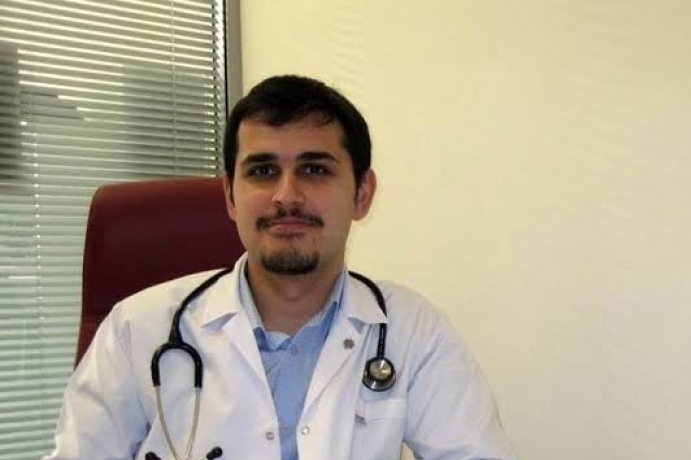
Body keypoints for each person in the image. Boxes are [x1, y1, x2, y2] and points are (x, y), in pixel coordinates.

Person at [44, 75, 516, 460]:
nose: (286, 195)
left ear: (362, 193)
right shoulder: (136, 329)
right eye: (263, 171)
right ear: (230, 197)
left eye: (315, 169)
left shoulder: (414, 333)